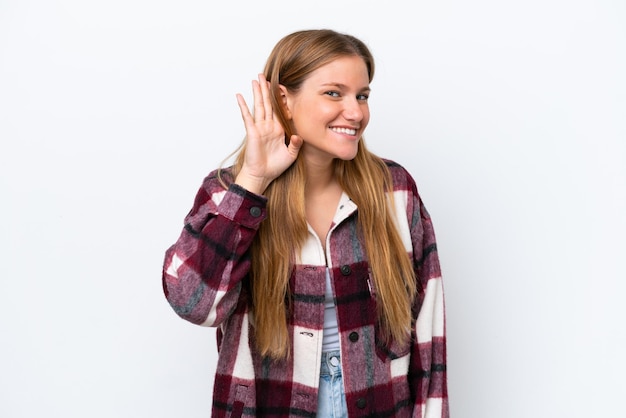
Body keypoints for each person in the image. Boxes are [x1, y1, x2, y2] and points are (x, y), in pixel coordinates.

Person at [162, 29, 448, 418]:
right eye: (334, 93)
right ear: (285, 99)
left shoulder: (393, 191)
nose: (356, 112)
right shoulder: (230, 193)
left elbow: (428, 332)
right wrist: (253, 182)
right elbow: (194, 304)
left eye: (362, 96)